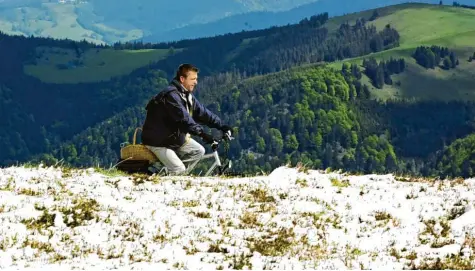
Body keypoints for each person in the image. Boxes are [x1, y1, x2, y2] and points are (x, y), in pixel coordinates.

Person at [141, 63, 233, 175]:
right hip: (158, 141)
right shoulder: (171, 96)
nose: (196, 82)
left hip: (173, 139)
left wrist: (222, 126)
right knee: (179, 169)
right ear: (182, 79)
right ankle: (170, 181)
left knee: (198, 151)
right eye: (193, 79)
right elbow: (184, 119)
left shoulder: (186, 95)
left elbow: (203, 113)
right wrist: (203, 134)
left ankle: (174, 176)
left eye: (196, 79)